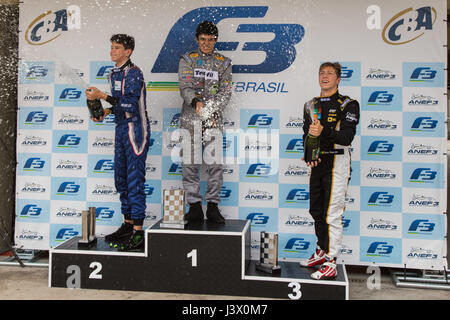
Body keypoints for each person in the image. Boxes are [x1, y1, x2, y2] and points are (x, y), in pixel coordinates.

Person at [85, 34, 150, 251]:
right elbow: (119, 105)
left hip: (136, 130)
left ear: (128, 51)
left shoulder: (135, 73)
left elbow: (131, 105)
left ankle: (139, 233)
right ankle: (128, 223)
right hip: (121, 128)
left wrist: (103, 95)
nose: (112, 51)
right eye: (111, 47)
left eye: (117, 47)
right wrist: (105, 111)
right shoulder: (113, 74)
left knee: (134, 181)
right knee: (120, 179)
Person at [300, 62, 359, 280]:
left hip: (338, 163)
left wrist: (324, 131)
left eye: (330, 73)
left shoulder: (348, 104)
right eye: (322, 73)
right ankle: (322, 250)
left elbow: (346, 138)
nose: (325, 76)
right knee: (316, 210)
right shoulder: (310, 105)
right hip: (318, 163)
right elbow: (306, 135)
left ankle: (332, 261)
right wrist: (309, 154)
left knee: (331, 214)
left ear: (338, 79)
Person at [178, 21, 232, 224]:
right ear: (197, 39)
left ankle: (212, 206)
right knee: (189, 163)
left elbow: (225, 92)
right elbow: (184, 86)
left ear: (216, 40)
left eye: (211, 40)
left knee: (214, 163)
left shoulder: (224, 62)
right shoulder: (187, 59)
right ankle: (193, 206)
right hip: (191, 117)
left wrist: (210, 109)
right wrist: (196, 103)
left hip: (213, 119)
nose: (207, 43)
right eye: (203, 39)